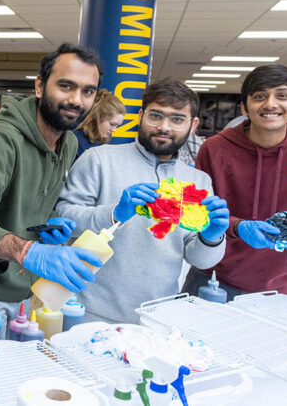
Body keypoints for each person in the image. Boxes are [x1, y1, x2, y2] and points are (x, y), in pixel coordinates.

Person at [0, 43, 106, 335]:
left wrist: (49, 222)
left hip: (26, 289)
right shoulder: (3, 140)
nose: (76, 100)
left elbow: (36, 198)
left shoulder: (67, 142)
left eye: (87, 91)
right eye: (66, 86)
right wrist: (28, 251)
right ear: (40, 87)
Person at [56, 78, 229, 323]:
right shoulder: (99, 159)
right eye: (155, 116)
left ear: (193, 125)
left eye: (177, 119)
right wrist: (114, 213)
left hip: (159, 317)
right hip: (89, 312)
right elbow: (63, 218)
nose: (164, 127)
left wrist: (211, 237)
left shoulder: (198, 182)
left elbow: (199, 259)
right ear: (140, 116)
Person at [182, 64, 287, 300]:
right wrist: (237, 227)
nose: (271, 104)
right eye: (260, 96)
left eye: (282, 96)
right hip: (211, 278)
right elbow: (195, 209)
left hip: (279, 287)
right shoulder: (214, 149)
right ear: (244, 106)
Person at [73, 89, 126, 158]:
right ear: (99, 117)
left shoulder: (103, 143)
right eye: (112, 124)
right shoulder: (74, 140)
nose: (114, 130)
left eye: (117, 126)